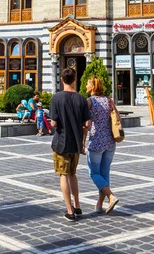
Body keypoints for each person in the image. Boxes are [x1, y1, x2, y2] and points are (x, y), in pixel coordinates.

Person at [50, 67, 91, 222]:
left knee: (64, 175)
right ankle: (78, 206)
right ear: (75, 79)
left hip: (61, 142)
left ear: (62, 80)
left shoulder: (56, 98)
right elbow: (87, 123)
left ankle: (69, 210)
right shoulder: (81, 99)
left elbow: (53, 123)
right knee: (73, 174)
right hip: (76, 143)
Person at [84, 77, 119, 214]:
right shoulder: (108, 100)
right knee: (105, 174)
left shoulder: (89, 102)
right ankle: (100, 204)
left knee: (93, 173)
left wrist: (82, 141)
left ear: (92, 87)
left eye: (87, 84)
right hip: (110, 142)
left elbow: (87, 124)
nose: (86, 86)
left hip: (96, 142)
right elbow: (118, 118)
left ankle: (111, 196)